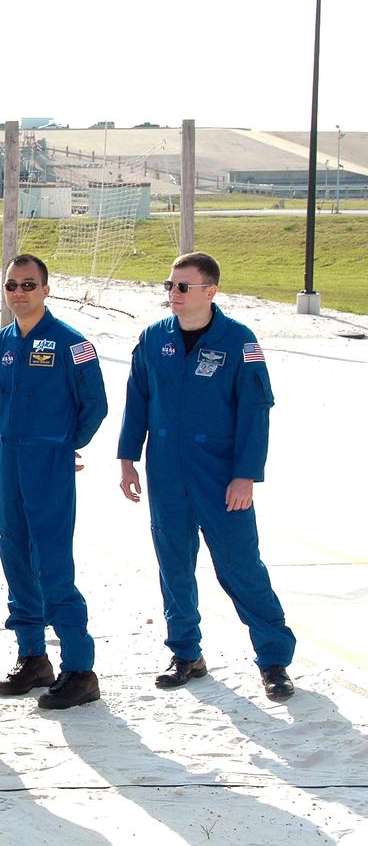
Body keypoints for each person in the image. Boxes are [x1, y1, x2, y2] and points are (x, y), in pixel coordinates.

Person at [118, 251, 296, 700]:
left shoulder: (239, 341)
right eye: (169, 286)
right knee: (174, 564)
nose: (173, 295)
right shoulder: (154, 338)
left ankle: (274, 658)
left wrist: (246, 476)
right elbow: (137, 399)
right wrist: (127, 457)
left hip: (221, 476)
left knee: (239, 566)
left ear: (210, 291)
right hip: (166, 472)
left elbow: (256, 412)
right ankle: (186, 653)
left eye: (183, 287)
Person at [0, 254, 108, 710]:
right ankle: (33, 657)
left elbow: (94, 405)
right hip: (6, 458)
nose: (19, 293)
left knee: (51, 561)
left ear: (46, 290)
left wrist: (61, 444)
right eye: (12, 285)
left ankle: (79, 666)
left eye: (28, 285)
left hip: (48, 460)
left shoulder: (74, 344)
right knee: (13, 552)